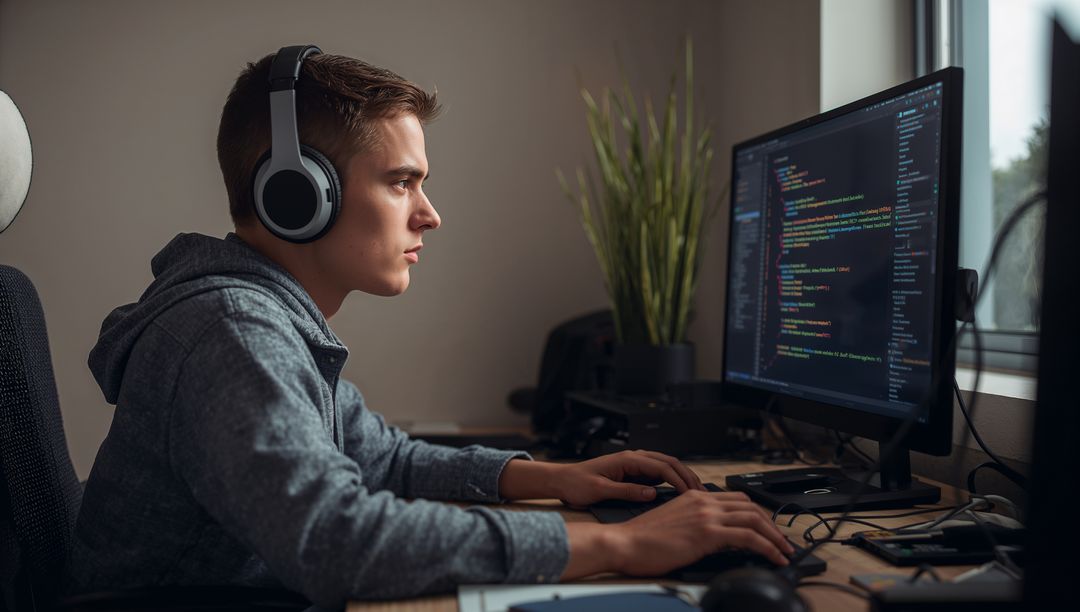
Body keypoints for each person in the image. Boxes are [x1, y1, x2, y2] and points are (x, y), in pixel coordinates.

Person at [67, 48, 792, 609]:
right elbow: (334, 541)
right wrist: (618, 544)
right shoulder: (230, 332)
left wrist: (551, 477)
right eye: (401, 182)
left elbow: (381, 458)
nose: (429, 214)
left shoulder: (265, 320)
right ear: (297, 196)